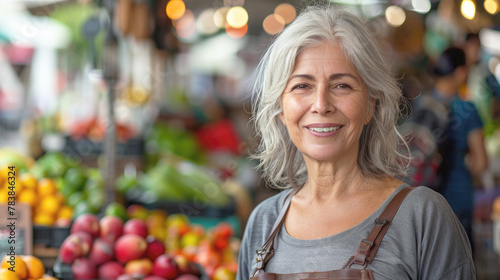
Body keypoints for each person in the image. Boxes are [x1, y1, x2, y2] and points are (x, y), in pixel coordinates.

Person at [237, 5, 476, 280]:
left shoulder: (422, 217)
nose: (321, 104)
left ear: (371, 105)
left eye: (342, 85)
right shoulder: (264, 222)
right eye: (302, 85)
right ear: (281, 108)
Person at [429, 46, 488, 254]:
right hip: (458, 194)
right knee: (460, 262)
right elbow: (481, 163)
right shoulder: (467, 110)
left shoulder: (422, 104)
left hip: (425, 194)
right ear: (461, 71)